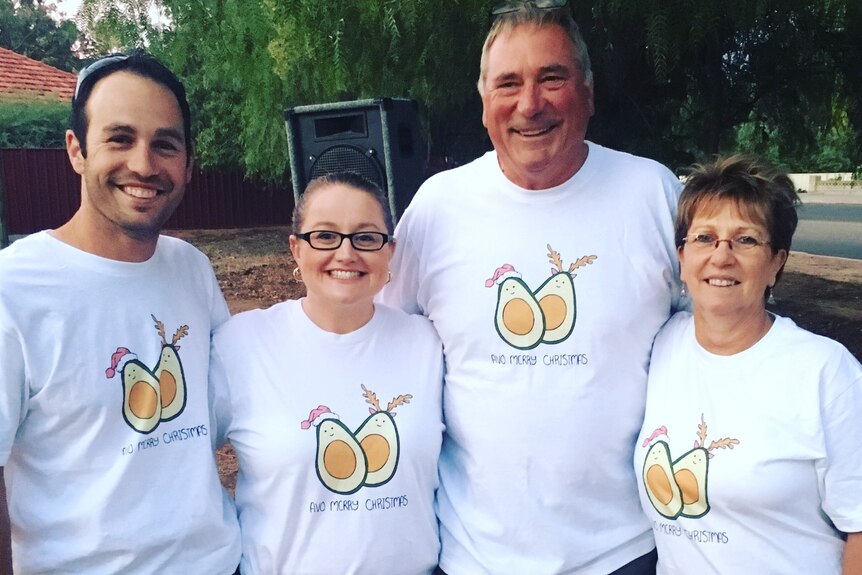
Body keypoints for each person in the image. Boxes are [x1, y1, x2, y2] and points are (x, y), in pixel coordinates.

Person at [381, 2, 683, 574]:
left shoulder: (653, 194)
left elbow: (716, 340)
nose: (530, 104)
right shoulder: (436, 209)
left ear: (588, 93)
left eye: (552, 77)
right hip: (474, 555)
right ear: (484, 105)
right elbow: (380, 343)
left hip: (623, 551)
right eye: (508, 84)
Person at [0, 52, 241, 573]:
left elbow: (231, 408)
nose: (144, 164)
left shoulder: (191, 270)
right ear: (76, 150)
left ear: (188, 164)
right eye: (119, 138)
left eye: (165, 144)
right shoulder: (13, 290)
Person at [635, 155, 862, 574]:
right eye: (704, 238)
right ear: (681, 257)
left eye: (746, 240)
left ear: (777, 262)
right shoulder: (665, 344)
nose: (722, 256)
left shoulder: (826, 372)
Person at [209, 171, 444, 574]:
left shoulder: (427, 344)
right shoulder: (240, 346)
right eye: (325, 236)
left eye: (366, 237)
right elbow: (181, 462)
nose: (346, 253)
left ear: (390, 251)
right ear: (296, 249)